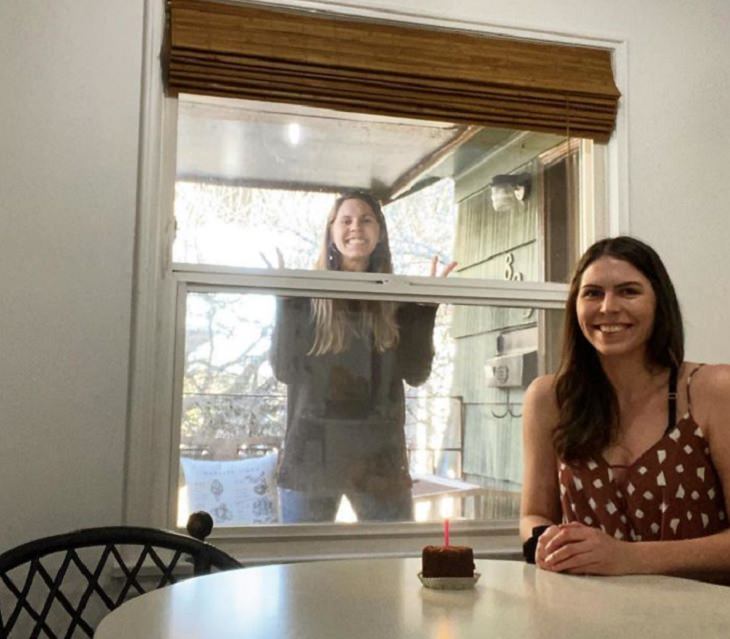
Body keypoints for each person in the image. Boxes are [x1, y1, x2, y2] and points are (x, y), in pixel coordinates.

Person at [520, 235, 730, 579]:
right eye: (593, 293)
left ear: (659, 302)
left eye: (629, 291)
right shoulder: (549, 398)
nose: (608, 307)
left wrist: (629, 558)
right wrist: (545, 540)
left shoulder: (716, 389)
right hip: (585, 619)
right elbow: (533, 515)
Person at [269, 190, 456, 523]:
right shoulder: (306, 295)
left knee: (390, 563)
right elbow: (285, 369)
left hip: (380, 459)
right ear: (331, 231)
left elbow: (416, 372)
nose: (356, 227)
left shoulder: (395, 298)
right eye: (346, 220)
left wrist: (427, 308)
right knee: (301, 571)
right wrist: (284, 303)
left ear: (380, 233)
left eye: (366, 219)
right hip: (313, 457)